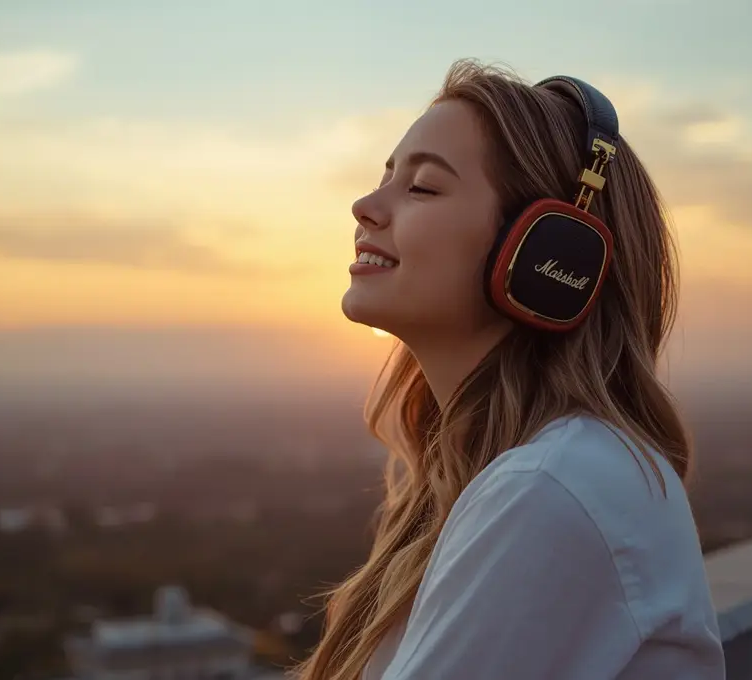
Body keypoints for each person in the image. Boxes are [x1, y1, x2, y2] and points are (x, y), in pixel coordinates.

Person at [293, 58, 725, 680]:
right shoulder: (525, 474)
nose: (365, 206)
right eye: (385, 176)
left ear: (550, 252)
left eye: (422, 187)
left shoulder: (551, 488)